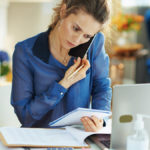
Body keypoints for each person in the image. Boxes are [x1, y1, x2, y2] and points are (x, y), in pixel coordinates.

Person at [11, 0, 112, 132]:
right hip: (39, 142)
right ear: (63, 11)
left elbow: (102, 86)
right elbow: (25, 116)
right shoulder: (25, 51)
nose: (77, 40)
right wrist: (63, 84)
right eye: (75, 28)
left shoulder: (94, 43)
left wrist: (99, 119)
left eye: (87, 36)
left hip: (79, 140)